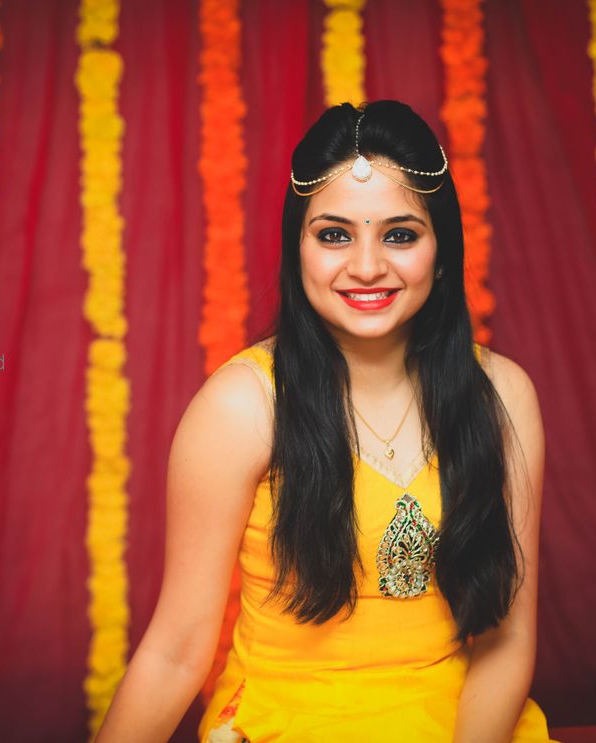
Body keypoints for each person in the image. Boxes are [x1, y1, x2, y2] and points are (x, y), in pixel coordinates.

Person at [95, 100, 554, 742]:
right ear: (298, 251)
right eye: (334, 234)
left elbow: (508, 638)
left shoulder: (500, 396)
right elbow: (175, 651)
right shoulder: (242, 407)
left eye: (400, 234)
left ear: (442, 252)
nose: (366, 267)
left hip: (461, 723)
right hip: (289, 721)